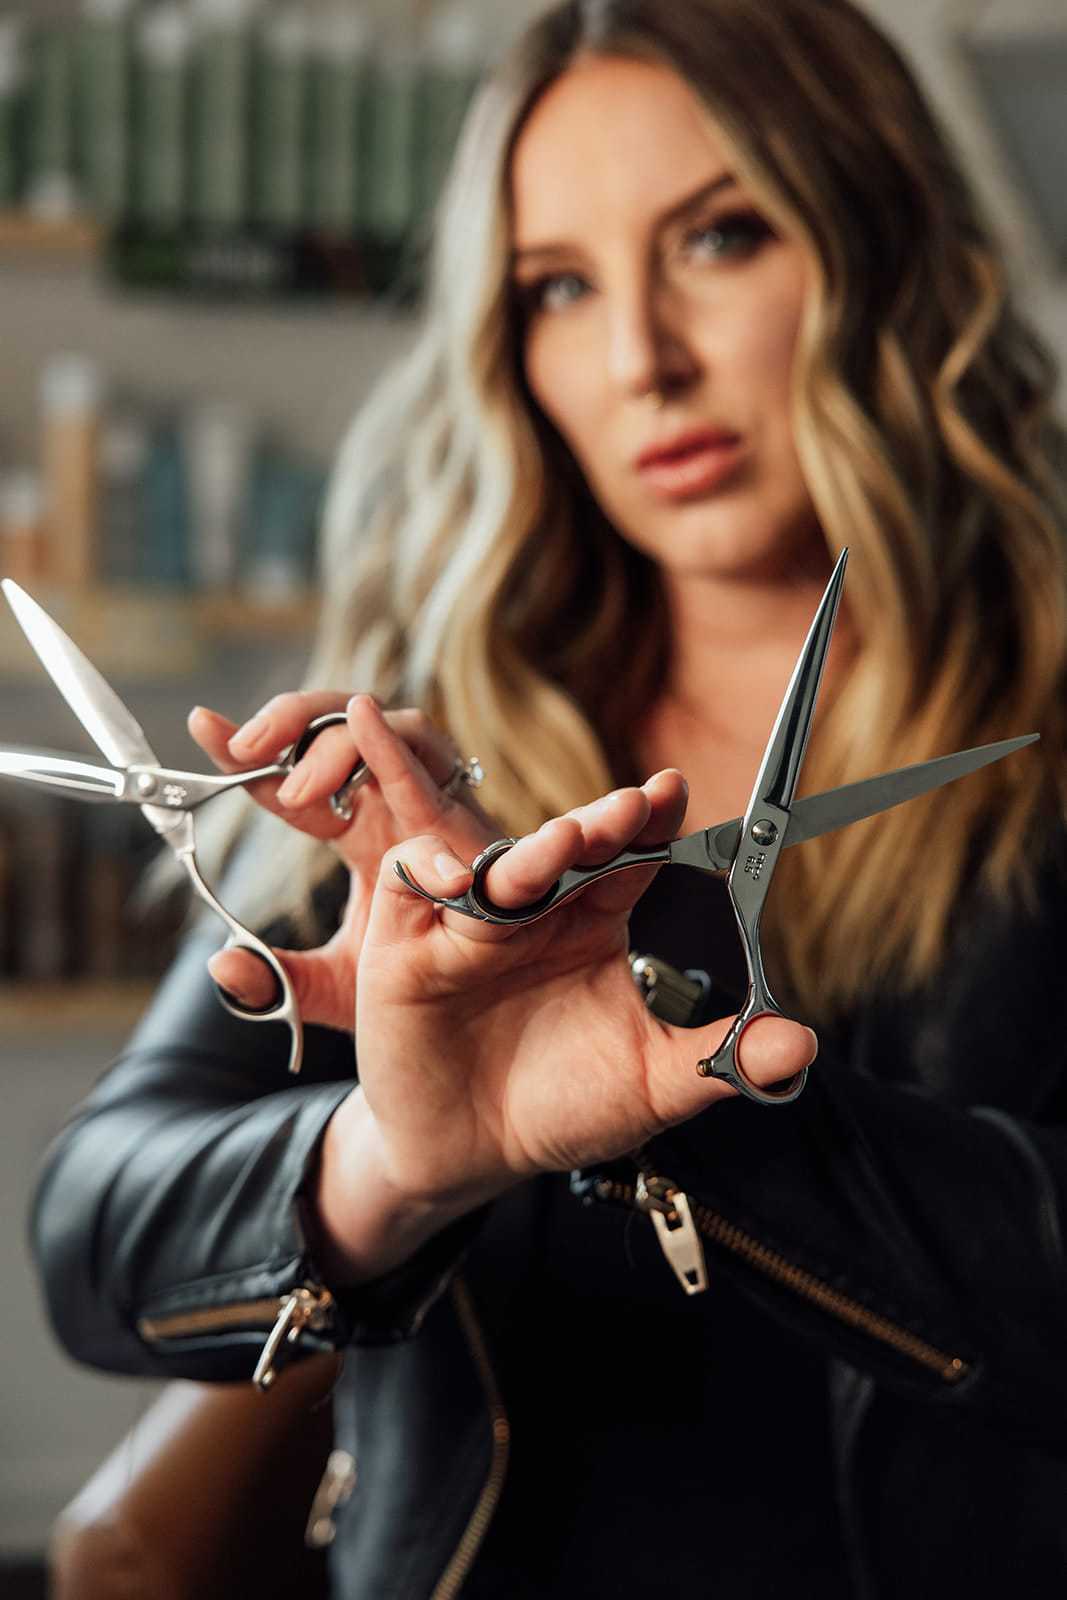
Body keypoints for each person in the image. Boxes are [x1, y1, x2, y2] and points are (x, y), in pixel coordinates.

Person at [31, 1, 1067, 1595]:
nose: (642, 357)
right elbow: (100, 1243)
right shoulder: (431, 773)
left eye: (721, 238)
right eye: (560, 288)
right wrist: (396, 1155)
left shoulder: (1039, 755)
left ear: (880, 245)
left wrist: (678, 1101)